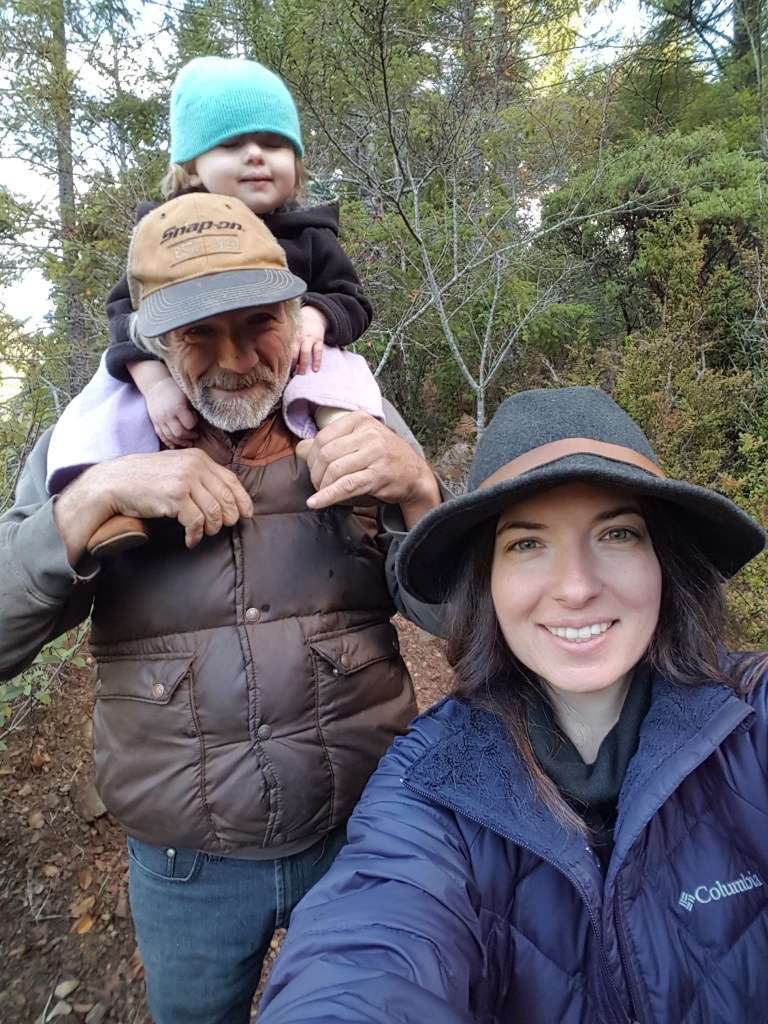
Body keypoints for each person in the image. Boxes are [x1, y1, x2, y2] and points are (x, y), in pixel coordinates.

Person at [0, 191, 443, 1024]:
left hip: (363, 835)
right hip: (185, 869)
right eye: (200, 333)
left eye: (258, 323)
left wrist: (421, 491)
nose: (235, 358)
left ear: (297, 311)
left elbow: (463, 621)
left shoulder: (357, 415)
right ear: (156, 343)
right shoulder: (93, 446)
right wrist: (92, 500)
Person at [257, 385, 768, 1024]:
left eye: (616, 533)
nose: (577, 587)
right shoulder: (432, 787)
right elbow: (368, 953)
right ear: (485, 583)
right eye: (526, 544)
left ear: (665, 559)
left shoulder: (753, 719)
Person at [46, 54, 382, 505]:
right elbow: (127, 317)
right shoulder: (163, 234)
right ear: (191, 167)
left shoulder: (310, 235)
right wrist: (156, 384)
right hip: (176, 370)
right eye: (230, 145)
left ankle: (349, 457)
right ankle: (96, 491)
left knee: (339, 370)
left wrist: (318, 317)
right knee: (109, 400)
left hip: (295, 358)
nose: (256, 155)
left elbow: (350, 298)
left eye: (275, 143)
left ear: (297, 163)